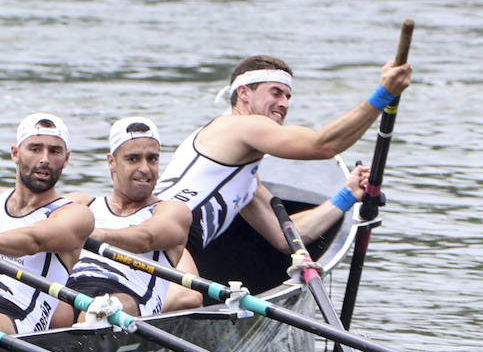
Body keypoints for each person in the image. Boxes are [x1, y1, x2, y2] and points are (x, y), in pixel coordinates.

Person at [155, 54, 409, 253]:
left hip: (165, 246)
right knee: (190, 299)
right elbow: (324, 146)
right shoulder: (240, 126)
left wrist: (348, 195)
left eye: (288, 96)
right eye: (275, 92)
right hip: (154, 239)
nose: (285, 103)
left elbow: (286, 237)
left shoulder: (240, 176)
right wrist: (384, 93)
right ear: (243, 93)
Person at [62, 116, 202, 321]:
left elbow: (146, 237)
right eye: (133, 159)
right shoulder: (83, 203)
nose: (145, 168)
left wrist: (91, 234)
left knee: (100, 308)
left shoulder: (172, 211)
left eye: (152, 159)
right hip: (69, 290)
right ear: (112, 162)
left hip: (127, 301)